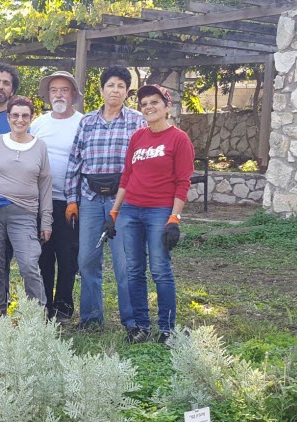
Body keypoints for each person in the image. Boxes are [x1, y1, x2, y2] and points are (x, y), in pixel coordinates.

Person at [108, 85, 194, 345]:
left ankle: (167, 329)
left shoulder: (179, 139)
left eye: (154, 102)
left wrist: (174, 219)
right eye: (144, 103)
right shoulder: (138, 137)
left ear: (167, 107)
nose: (148, 107)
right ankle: (140, 326)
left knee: (160, 269)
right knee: (133, 270)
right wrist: (114, 211)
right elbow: (127, 176)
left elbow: (183, 181)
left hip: (159, 211)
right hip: (131, 210)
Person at [64, 65, 146, 331]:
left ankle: (133, 323)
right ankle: (91, 319)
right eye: (110, 85)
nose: (115, 90)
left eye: (121, 86)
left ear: (127, 92)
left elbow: (142, 163)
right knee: (87, 261)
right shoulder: (86, 122)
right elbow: (74, 162)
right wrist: (71, 200)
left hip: (122, 201)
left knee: (125, 263)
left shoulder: (136, 122)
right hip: (89, 199)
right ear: (101, 90)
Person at [0, 96, 52, 310]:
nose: (20, 119)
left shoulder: (40, 147)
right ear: (8, 117)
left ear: (31, 118)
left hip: (24, 214)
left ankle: (37, 317)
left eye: (25, 115)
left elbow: (45, 185)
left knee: (28, 265)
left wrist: (46, 222)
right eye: (15, 115)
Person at [31, 71, 84, 321]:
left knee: (67, 256)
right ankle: (44, 306)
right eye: (54, 90)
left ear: (73, 94)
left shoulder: (83, 123)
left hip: (71, 202)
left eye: (64, 89)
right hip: (41, 201)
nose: (59, 94)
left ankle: (63, 307)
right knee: (43, 256)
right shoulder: (39, 123)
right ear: (48, 95)